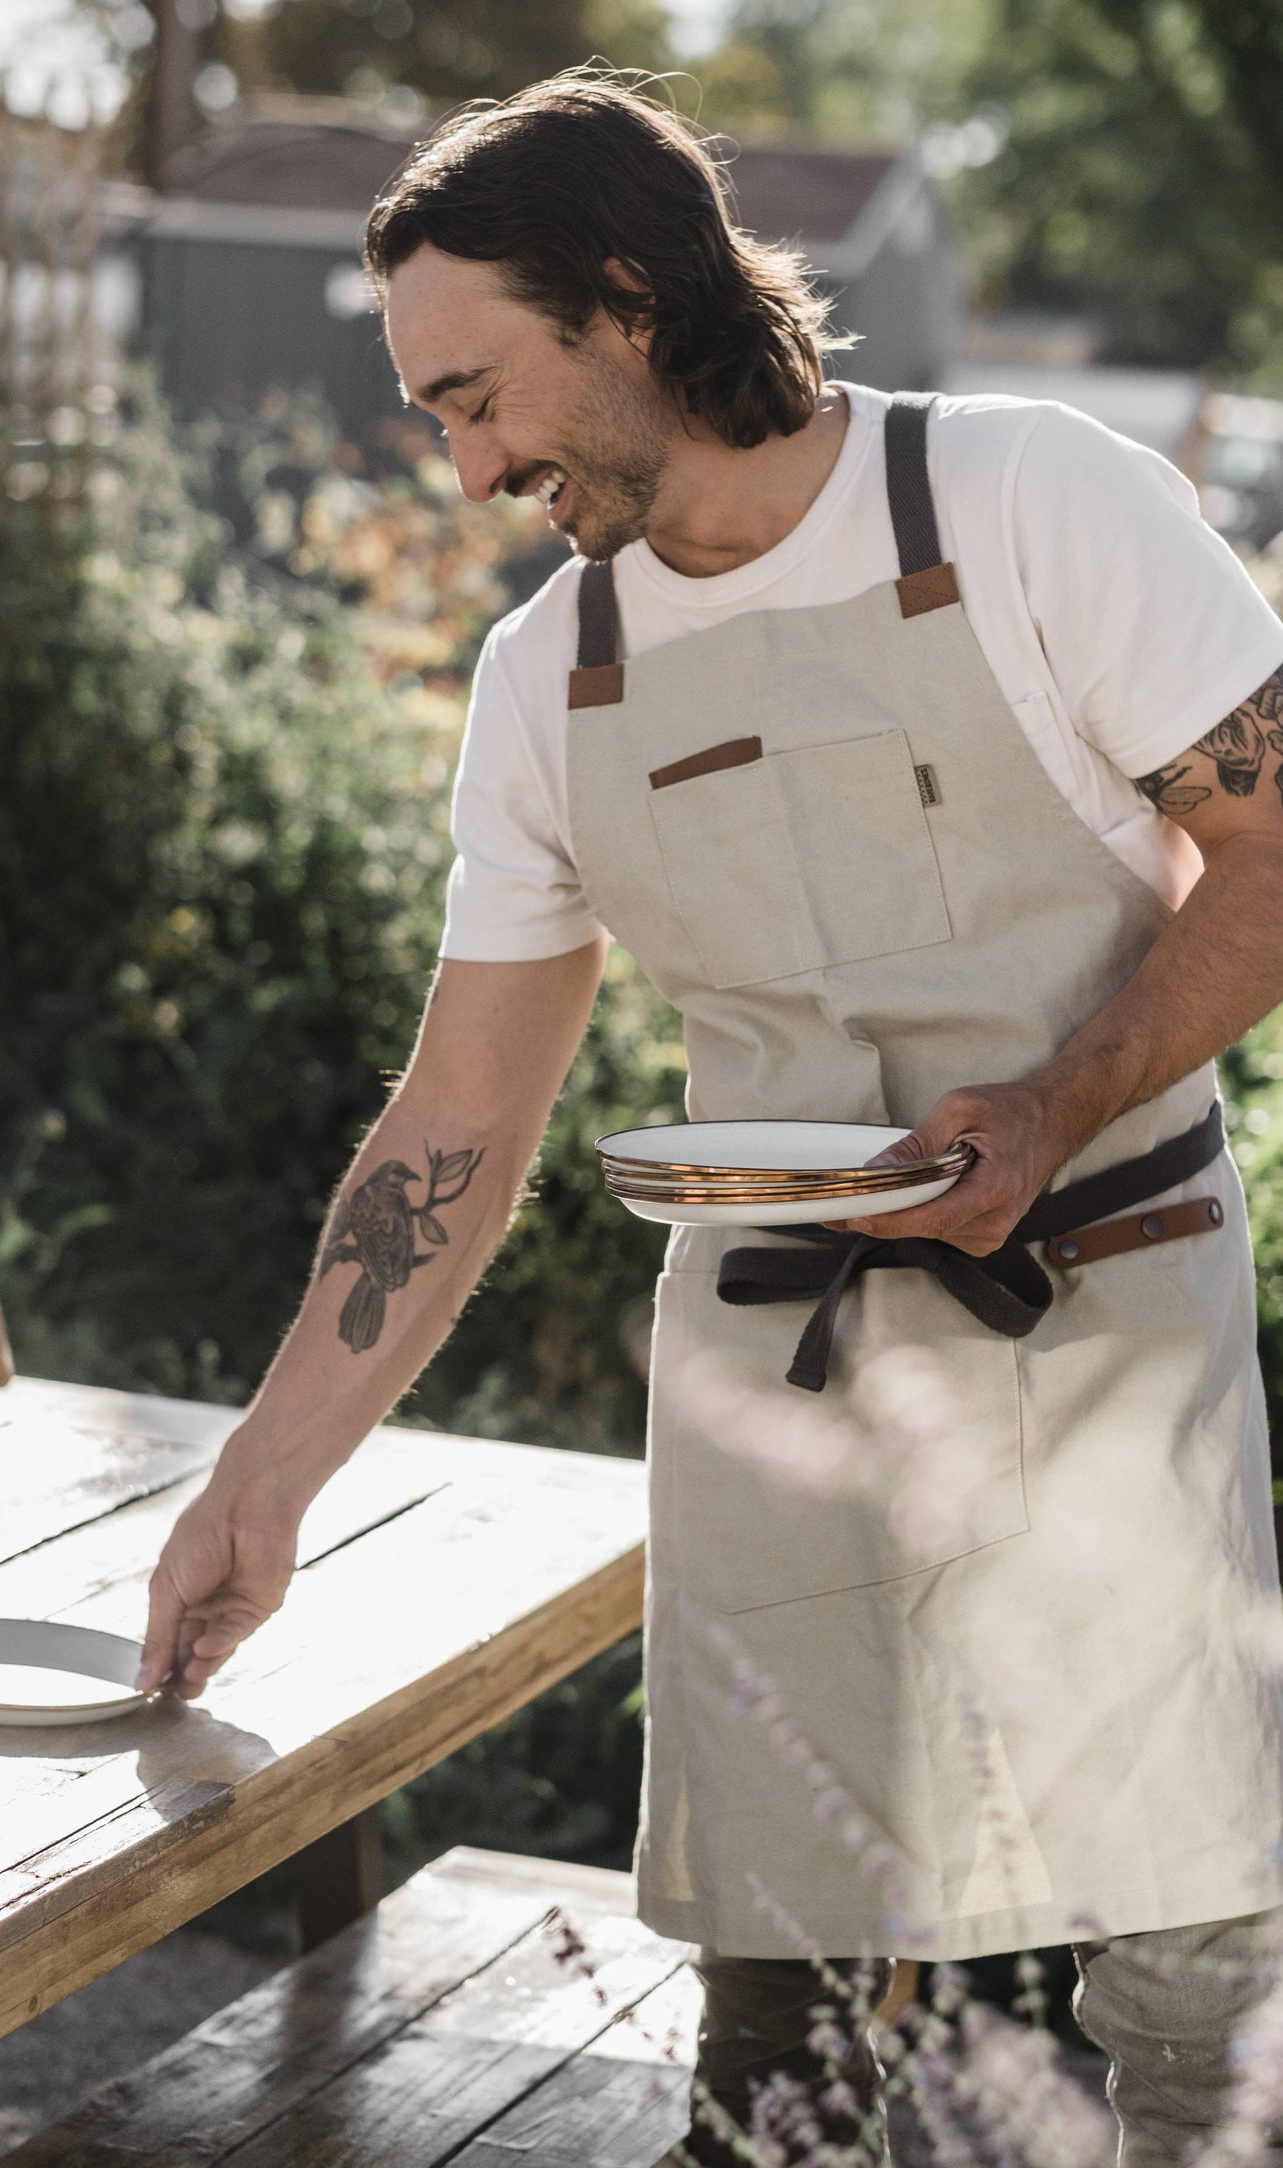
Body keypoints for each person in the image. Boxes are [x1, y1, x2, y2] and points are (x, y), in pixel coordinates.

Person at [137, 72, 1283, 2166]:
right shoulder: (547, 678)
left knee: (1212, 2013)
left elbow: (1273, 844)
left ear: (637, 301)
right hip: (782, 1370)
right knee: (786, 2056)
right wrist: (264, 1483)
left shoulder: (1030, 504)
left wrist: (1053, 1101)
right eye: (435, 420)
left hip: (1107, 1322)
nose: (470, 463)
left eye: (482, 394)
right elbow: (461, 1112)